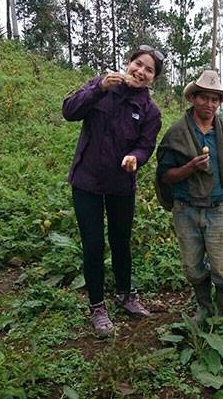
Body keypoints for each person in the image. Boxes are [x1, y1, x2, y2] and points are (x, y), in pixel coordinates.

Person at [62, 45, 164, 337]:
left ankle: (125, 294)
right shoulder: (102, 85)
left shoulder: (149, 110)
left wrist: (136, 158)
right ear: (128, 63)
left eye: (149, 70)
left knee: (121, 240)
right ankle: (97, 306)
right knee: (93, 245)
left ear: (153, 78)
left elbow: (146, 145)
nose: (141, 72)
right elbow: (69, 111)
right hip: (87, 182)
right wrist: (97, 89)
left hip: (121, 185)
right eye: (138, 64)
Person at [156, 70, 223, 322]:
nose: (210, 104)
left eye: (215, 99)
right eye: (204, 97)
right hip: (185, 209)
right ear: (193, 98)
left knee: (222, 268)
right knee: (192, 267)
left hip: (217, 209)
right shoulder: (177, 133)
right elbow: (165, 176)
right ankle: (203, 309)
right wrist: (190, 167)